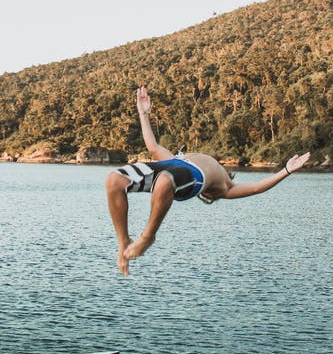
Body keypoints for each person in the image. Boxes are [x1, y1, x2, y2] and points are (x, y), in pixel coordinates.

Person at [106, 86, 311, 275]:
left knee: (165, 181)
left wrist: (286, 171)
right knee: (114, 180)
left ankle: (147, 237)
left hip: (190, 177)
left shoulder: (225, 188)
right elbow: (152, 146)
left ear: (209, 195)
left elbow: (257, 188)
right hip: (175, 166)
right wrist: (143, 113)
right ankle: (123, 241)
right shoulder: (176, 160)